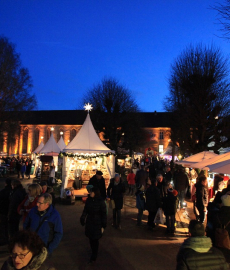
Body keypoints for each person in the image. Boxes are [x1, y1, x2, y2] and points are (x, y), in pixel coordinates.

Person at [80, 187, 107, 263]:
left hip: (97, 223)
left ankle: (94, 254)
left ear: (95, 193)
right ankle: (93, 251)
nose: (90, 193)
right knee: (91, 238)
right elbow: (85, 210)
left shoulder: (101, 202)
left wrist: (103, 225)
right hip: (90, 222)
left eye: (91, 192)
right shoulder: (89, 200)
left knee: (95, 239)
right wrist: (83, 218)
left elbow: (103, 214)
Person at [0, 178, 12, 245]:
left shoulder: (3, 191)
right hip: (10, 211)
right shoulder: (12, 191)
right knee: (9, 226)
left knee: (3, 226)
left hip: (3, 211)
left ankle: (5, 239)